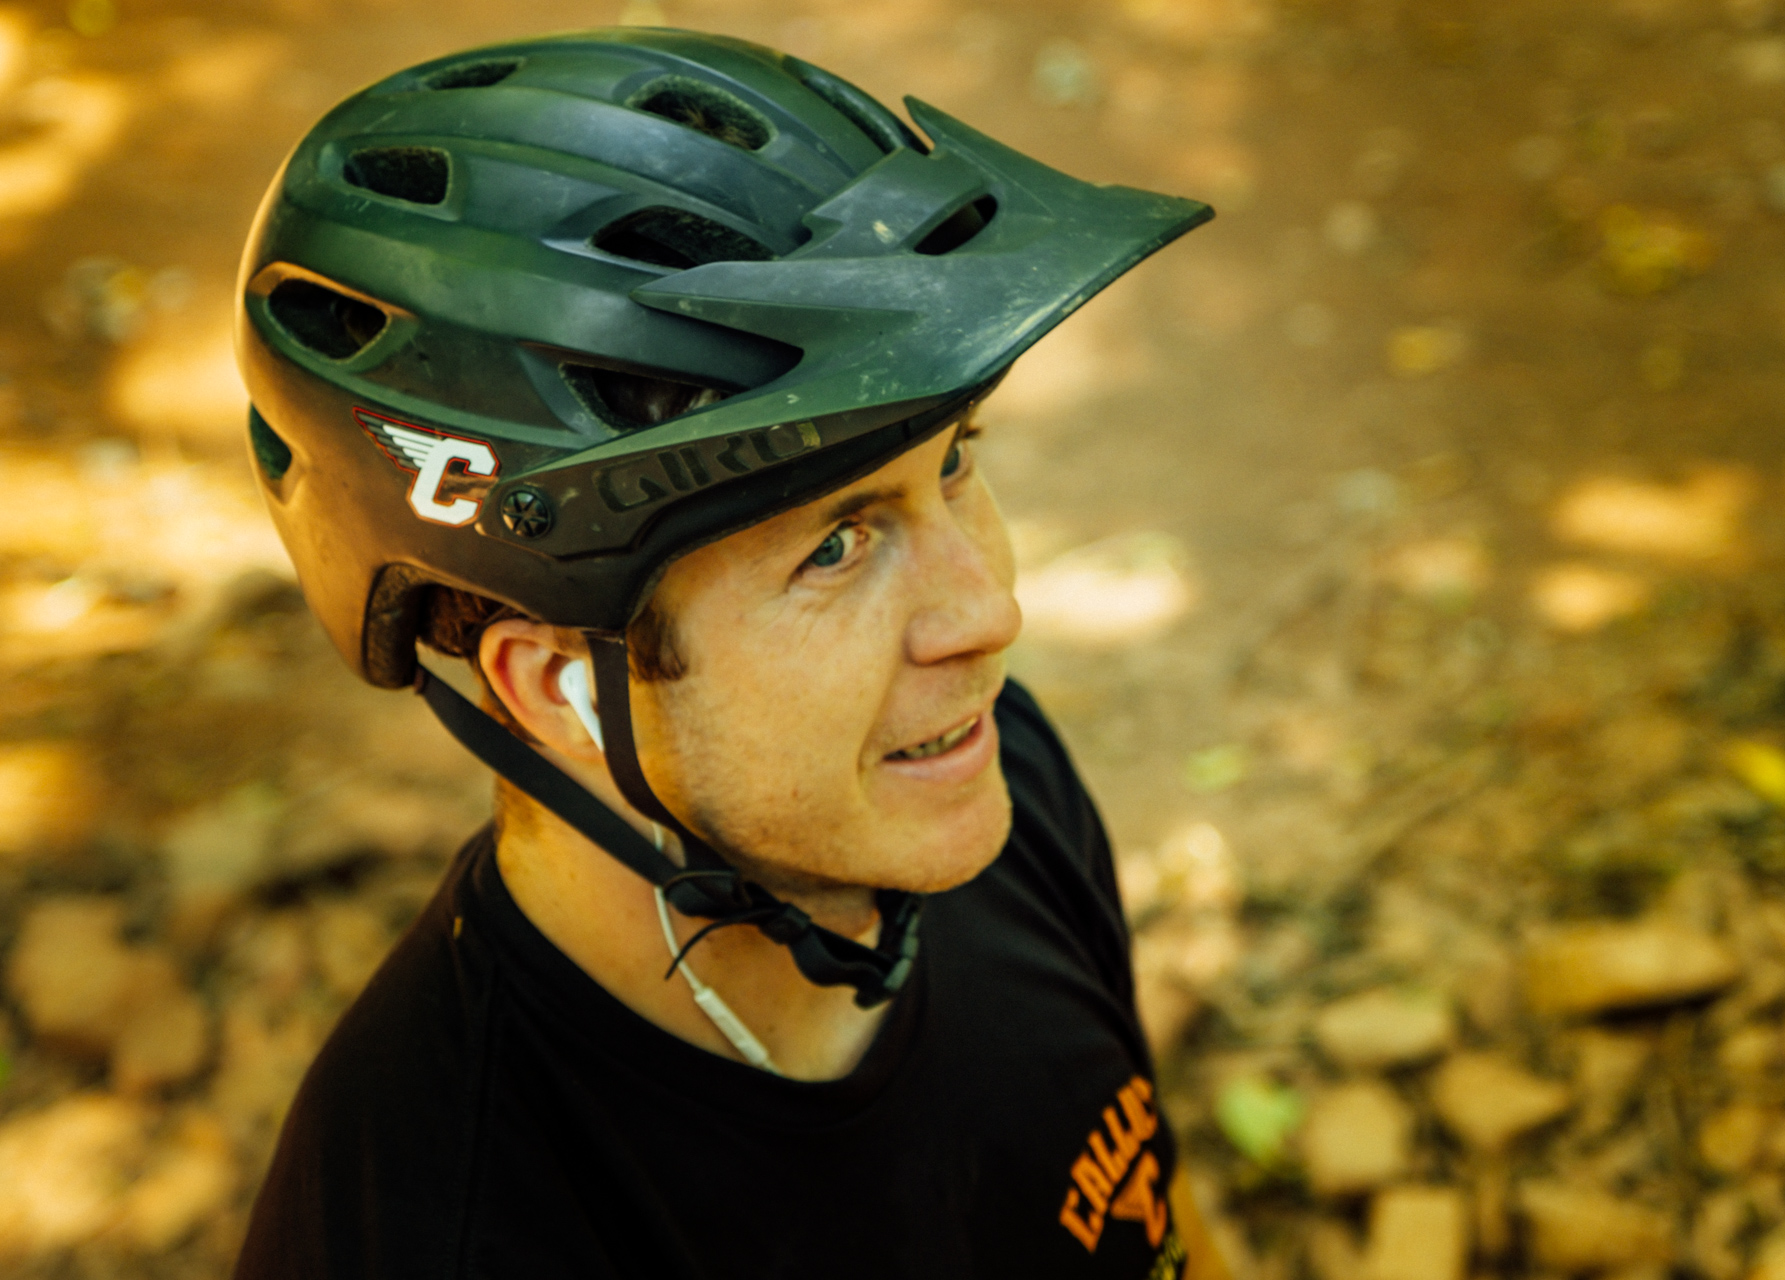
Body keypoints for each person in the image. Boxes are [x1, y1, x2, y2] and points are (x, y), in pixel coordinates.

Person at [230, 26, 1226, 1279]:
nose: (990, 616)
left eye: (957, 461)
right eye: (835, 546)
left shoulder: (985, 783)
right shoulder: (452, 1223)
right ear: (554, 690)